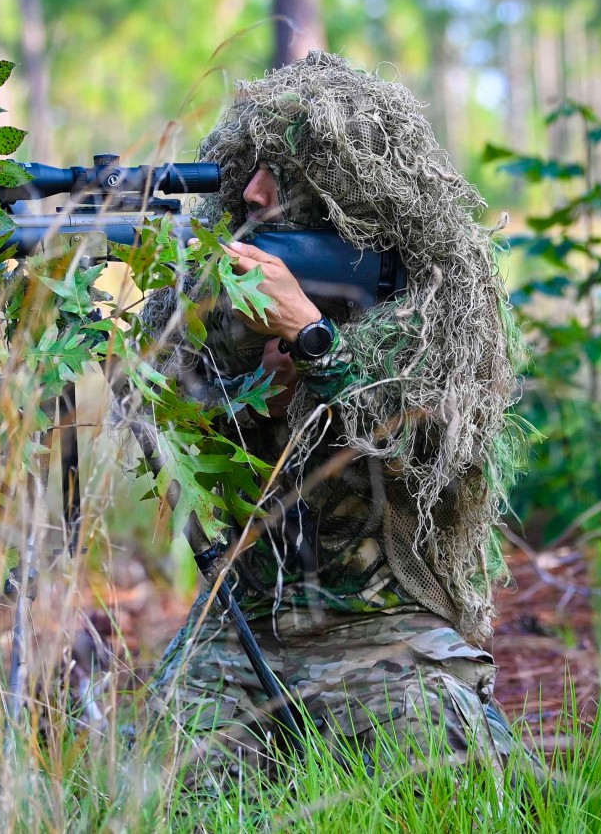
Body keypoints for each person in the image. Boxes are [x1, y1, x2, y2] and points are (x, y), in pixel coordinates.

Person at [135, 51, 532, 784]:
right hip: (242, 626)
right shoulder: (212, 291)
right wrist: (247, 378)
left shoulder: (437, 303)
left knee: (439, 781)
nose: (252, 191)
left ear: (347, 189)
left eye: (280, 173)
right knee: (153, 786)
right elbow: (170, 435)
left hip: (383, 634)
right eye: (247, 166)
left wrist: (315, 339)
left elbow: (423, 451)